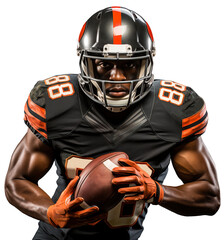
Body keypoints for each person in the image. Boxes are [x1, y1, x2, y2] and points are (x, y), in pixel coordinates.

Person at [5, 6, 220, 240]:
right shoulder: (56, 103)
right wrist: (50, 212)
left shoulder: (173, 111)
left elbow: (209, 196)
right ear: (86, 63)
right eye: (104, 64)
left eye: (129, 65)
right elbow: (17, 180)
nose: (116, 77)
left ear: (146, 63)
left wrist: (158, 192)